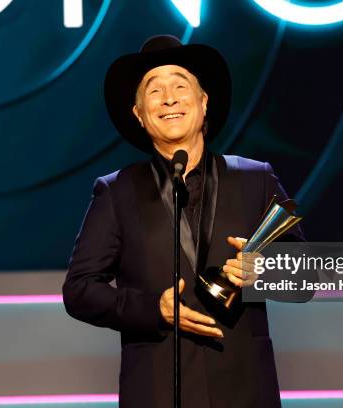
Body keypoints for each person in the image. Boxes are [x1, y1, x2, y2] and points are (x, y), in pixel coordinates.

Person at [62, 35, 302, 408]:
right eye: (154, 91)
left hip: (245, 390)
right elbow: (79, 290)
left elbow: (311, 275)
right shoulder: (116, 191)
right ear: (139, 114)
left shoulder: (256, 179)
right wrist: (153, 309)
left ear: (204, 102)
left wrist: (265, 268)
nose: (169, 98)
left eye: (180, 85)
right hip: (158, 389)